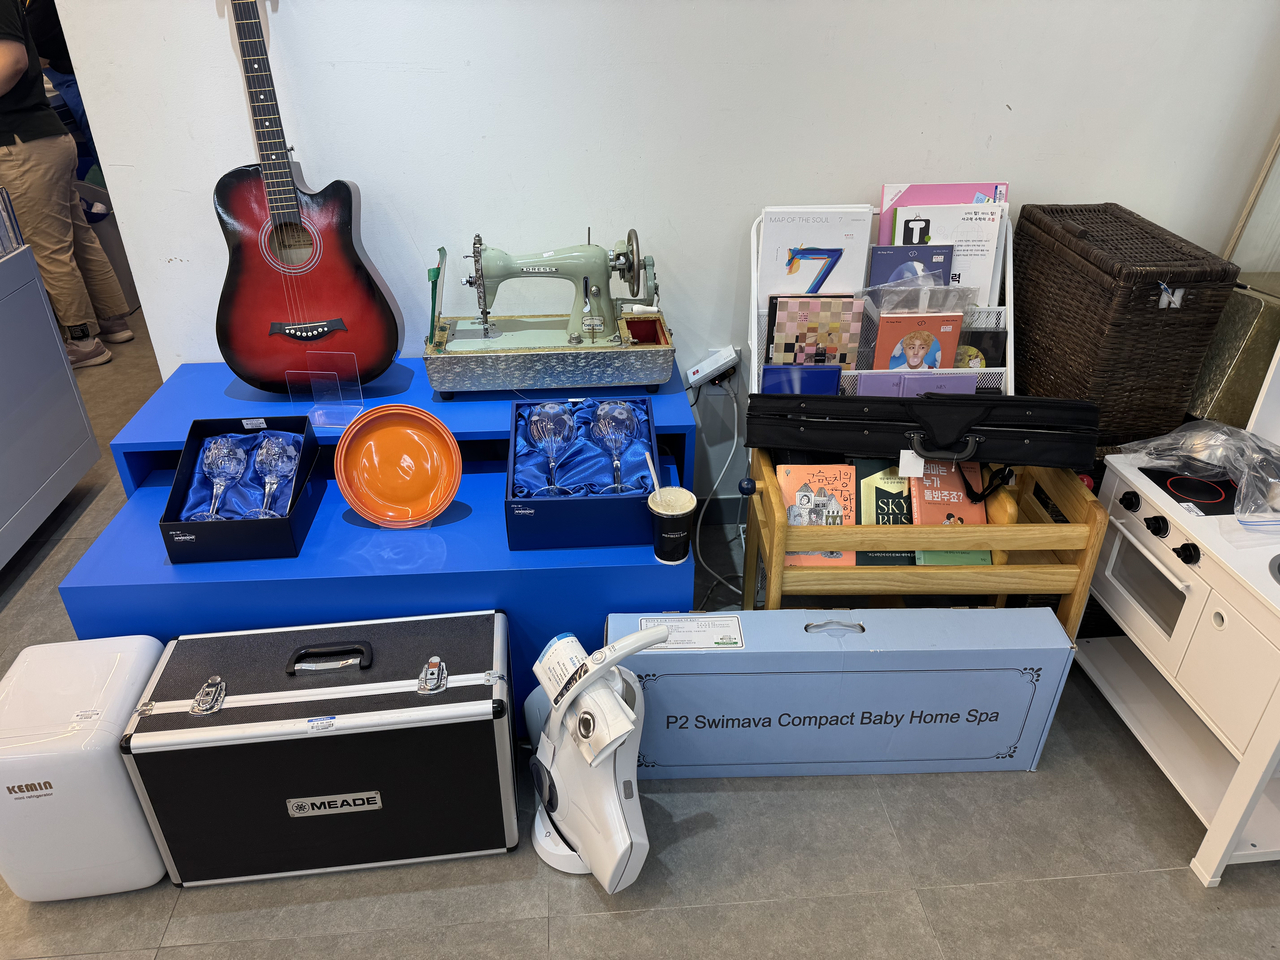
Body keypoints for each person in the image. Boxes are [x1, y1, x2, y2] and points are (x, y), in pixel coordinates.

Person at [0, 0, 131, 368]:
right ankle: (111, 321)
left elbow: (12, 62)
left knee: (48, 249)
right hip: (42, 140)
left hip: (19, 146)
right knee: (75, 235)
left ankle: (82, 342)